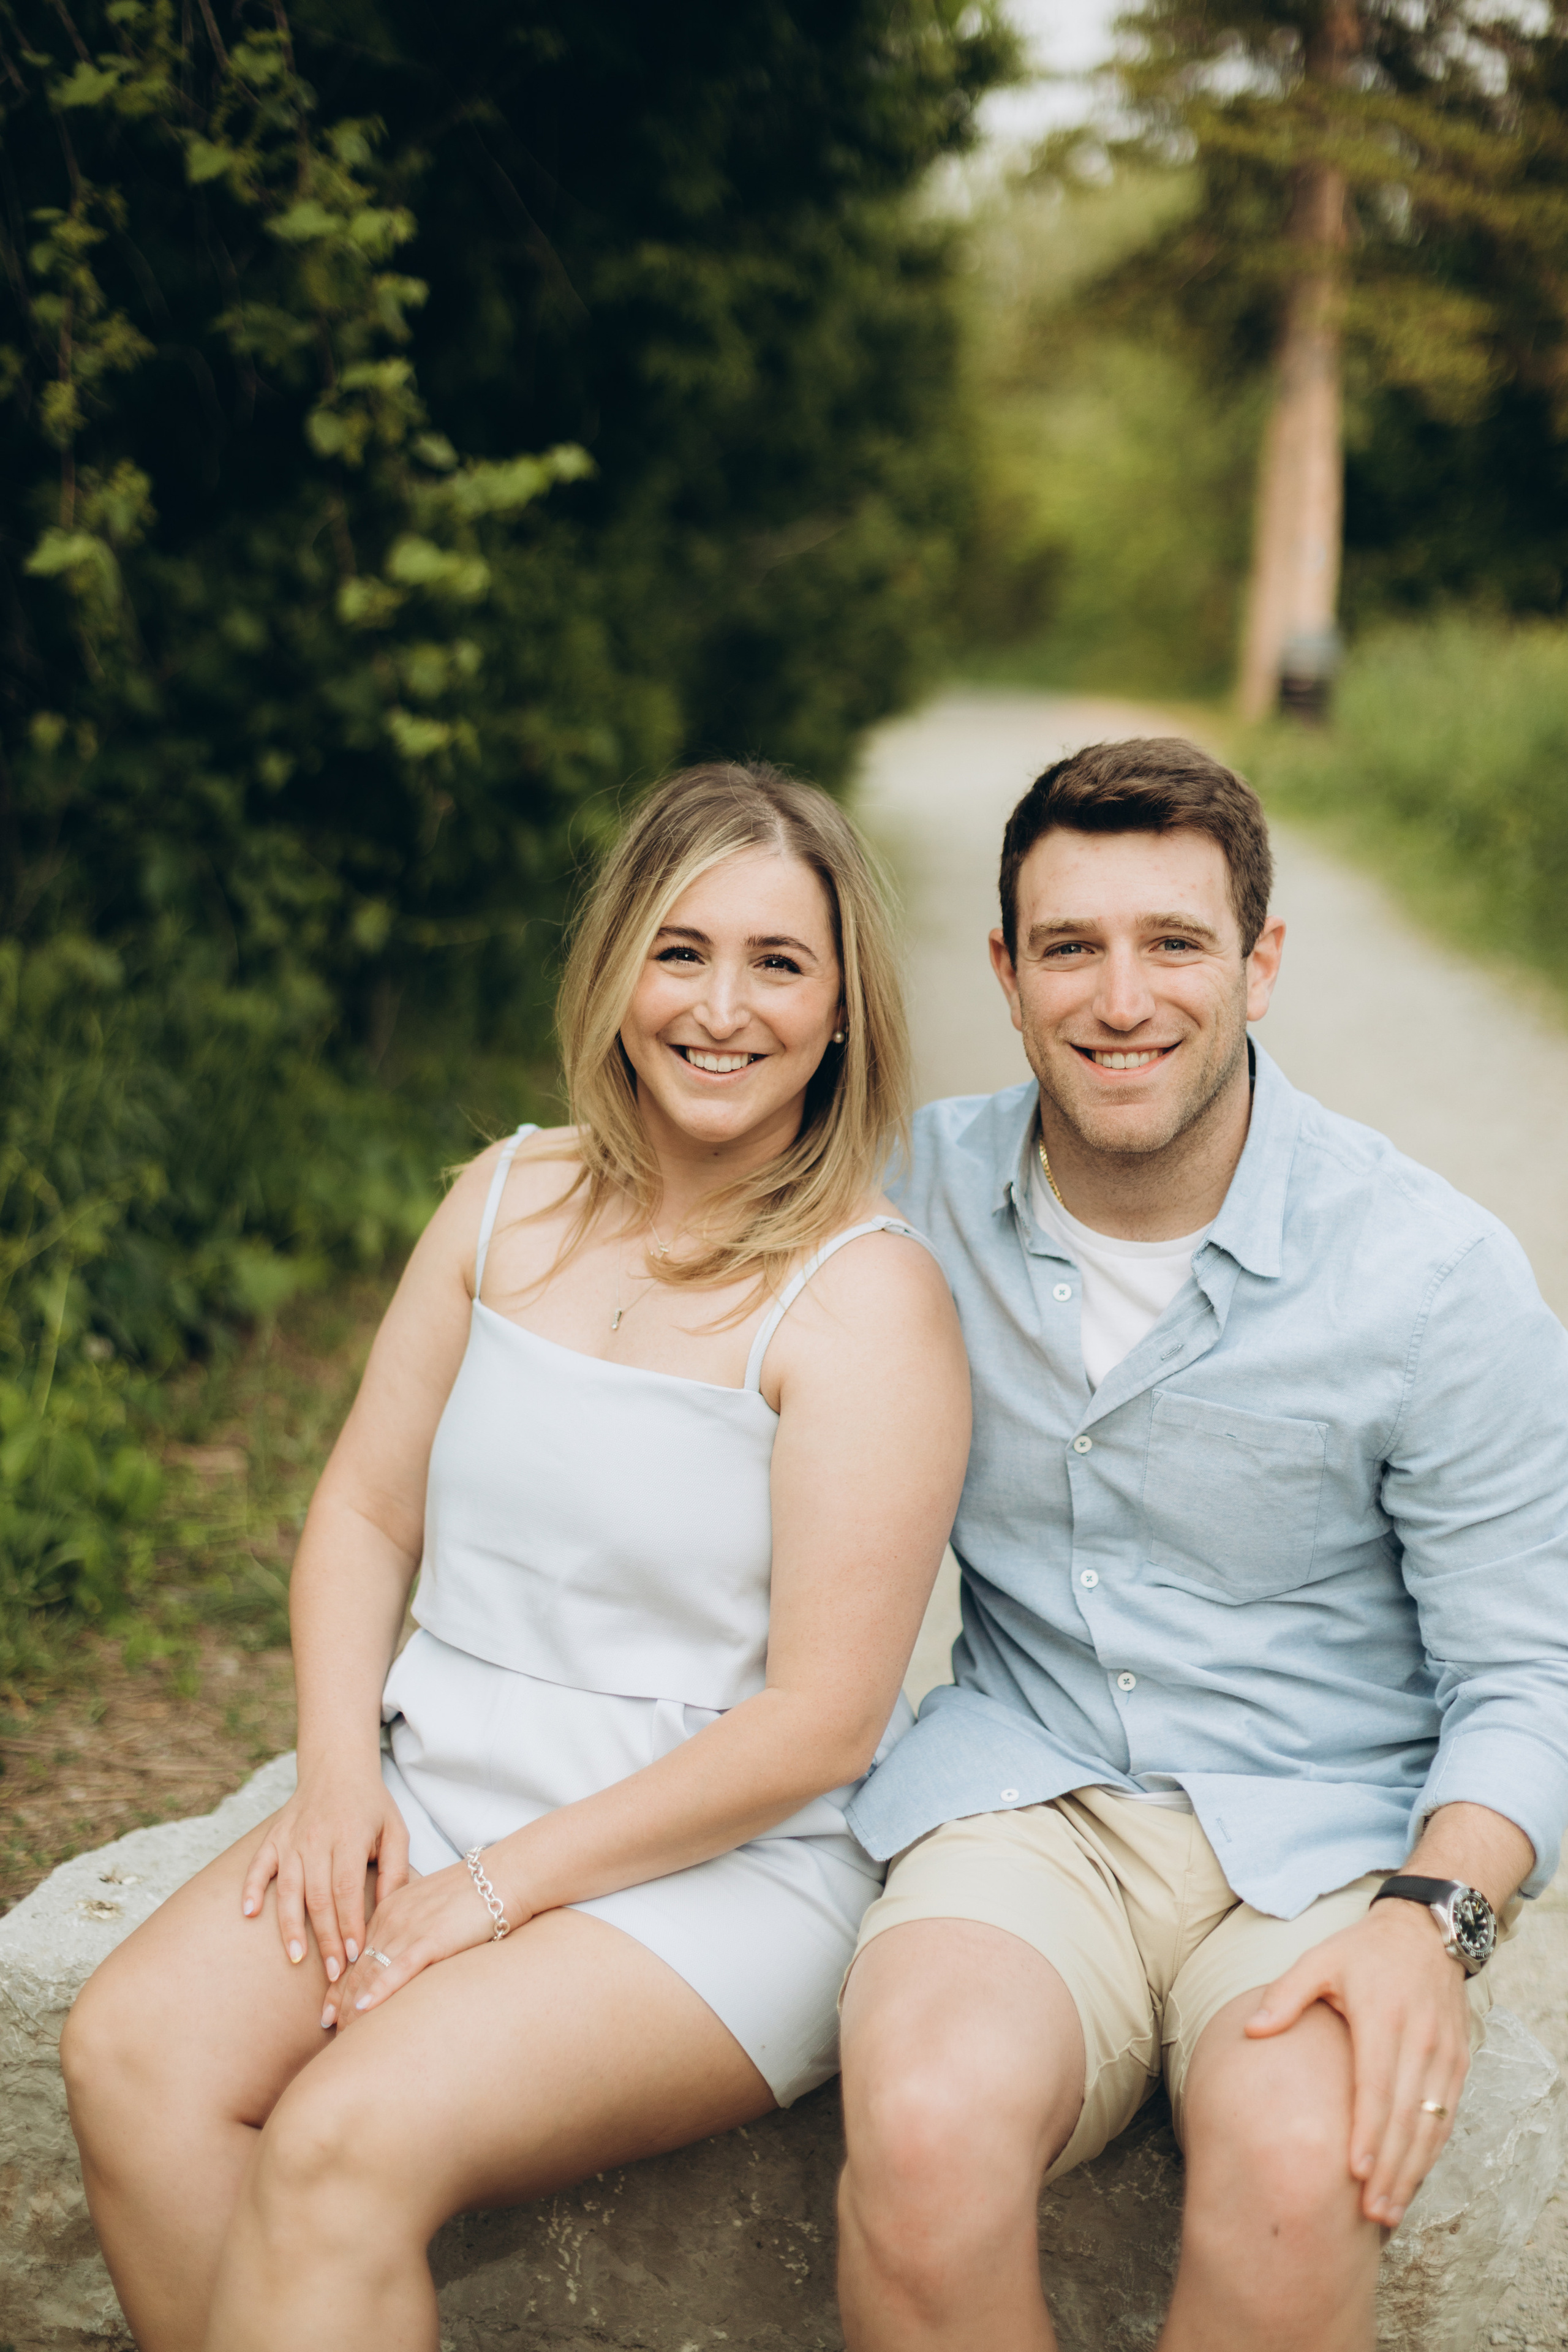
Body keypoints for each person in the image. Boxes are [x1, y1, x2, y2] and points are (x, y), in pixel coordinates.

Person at [62, 761, 971, 2352]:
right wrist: (337, 1777)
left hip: (717, 1860)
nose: (722, 1007)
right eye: (681, 951)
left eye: (780, 965)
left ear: (843, 1017)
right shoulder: (505, 1200)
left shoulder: (863, 1300)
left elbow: (821, 1722)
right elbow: (361, 1514)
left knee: (342, 2145)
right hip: (436, 1787)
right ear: (616, 969)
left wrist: (489, 1896)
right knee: (133, 2054)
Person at [835, 736, 1568, 2352]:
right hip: (1028, 1803)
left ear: (1262, 961)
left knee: (1307, 2166)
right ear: (1007, 974)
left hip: (1326, 1837)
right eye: (1071, 947)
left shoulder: (1433, 1278)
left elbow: (1530, 1674)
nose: (1122, 998)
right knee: (920, 2127)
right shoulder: (906, 1200)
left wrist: (1432, 1922)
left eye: (1174, 942)